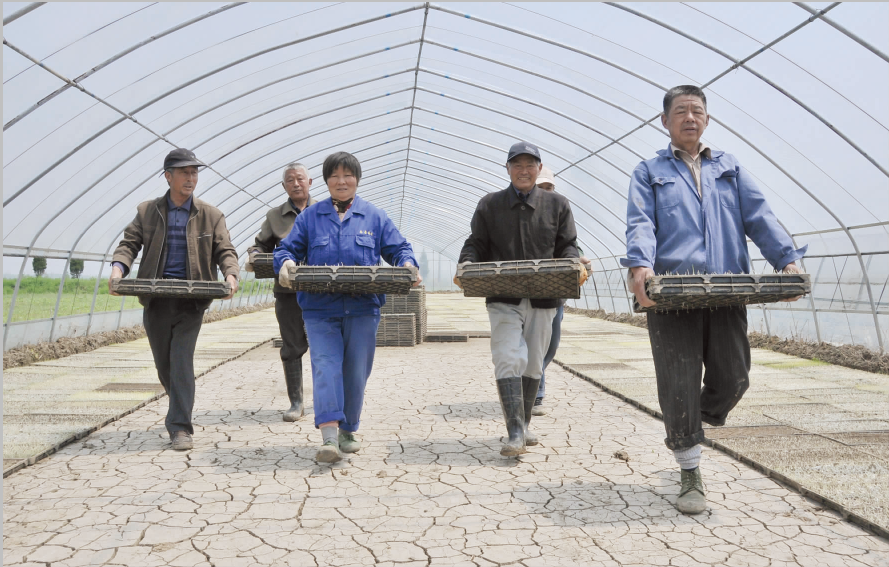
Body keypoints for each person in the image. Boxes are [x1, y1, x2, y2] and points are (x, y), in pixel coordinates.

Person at [621, 85, 806, 514]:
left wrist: (787, 262)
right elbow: (641, 222)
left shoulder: (730, 167)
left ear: (707, 120)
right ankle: (689, 471)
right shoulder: (649, 171)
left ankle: (685, 421)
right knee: (679, 381)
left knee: (734, 377)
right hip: (672, 294)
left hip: (725, 290)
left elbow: (759, 215)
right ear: (664, 121)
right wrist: (640, 268)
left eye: (697, 111)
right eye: (680, 111)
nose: (689, 117)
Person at [274, 151, 421, 463]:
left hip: (363, 308)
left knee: (356, 371)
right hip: (319, 308)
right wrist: (285, 262)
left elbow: (399, 248)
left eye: (347, 176)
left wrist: (408, 264)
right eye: (334, 176)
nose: (341, 181)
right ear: (326, 182)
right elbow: (287, 247)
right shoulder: (310, 218)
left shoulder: (374, 217)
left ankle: (348, 429)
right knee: (325, 366)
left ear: (357, 179)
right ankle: (329, 436)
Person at [458, 142, 585, 457]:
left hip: (545, 299)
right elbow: (476, 242)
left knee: (533, 363)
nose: (524, 170)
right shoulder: (490, 205)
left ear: (539, 169)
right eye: (517, 165)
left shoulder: (557, 205)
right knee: (507, 356)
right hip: (504, 297)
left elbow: (567, 244)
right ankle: (514, 432)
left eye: (530, 165)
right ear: (508, 169)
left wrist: (574, 263)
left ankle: (524, 424)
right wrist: (466, 263)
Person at [110, 148, 240, 451]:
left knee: (181, 361)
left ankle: (180, 427)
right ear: (168, 177)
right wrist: (118, 270)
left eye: (194, 172)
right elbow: (129, 244)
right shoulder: (148, 211)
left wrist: (231, 275)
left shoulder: (211, 215)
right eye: (184, 172)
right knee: (164, 365)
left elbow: (225, 250)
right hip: (156, 298)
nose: (191, 178)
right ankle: (180, 405)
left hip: (192, 299)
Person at [244, 164, 317, 422]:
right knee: (292, 346)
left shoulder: (325, 210)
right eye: (290, 180)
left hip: (323, 291)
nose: (296, 183)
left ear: (310, 181)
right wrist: (254, 257)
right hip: (287, 291)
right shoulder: (275, 216)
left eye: (300, 179)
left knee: (327, 345)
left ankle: (328, 401)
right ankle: (296, 402)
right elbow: (260, 245)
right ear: (284, 186)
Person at [533, 166, 592, 416]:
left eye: (549, 188)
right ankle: (535, 393)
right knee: (533, 342)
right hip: (529, 291)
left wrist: (578, 259)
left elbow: (570, 244)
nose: (546, 193)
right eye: (541, 188)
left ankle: (534, 379)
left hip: (555, 291)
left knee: (551, 344)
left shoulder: (559, 212)